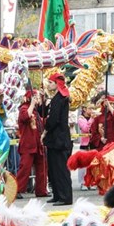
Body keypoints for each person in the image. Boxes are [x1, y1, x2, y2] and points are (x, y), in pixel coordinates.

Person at [43, 73, 73, 206]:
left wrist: (45, 130)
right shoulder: (57, 98)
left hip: (58, 139)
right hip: (55, 139)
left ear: (56, 84)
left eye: (50, 82)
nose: (48, 85)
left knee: (61, 168)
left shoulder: (59, 98)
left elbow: (53, 119)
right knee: (53, 168)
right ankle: (57, 194)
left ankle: (65, 196)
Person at [16, 89, 48, 198]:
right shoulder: (24, 109)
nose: (38, 99)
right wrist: (32, 104)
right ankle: (17, 190)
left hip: (38, 144)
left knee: (42, 168)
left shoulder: (36, 111)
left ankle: (41, 190)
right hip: (28, 144)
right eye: (36, 97)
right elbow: (26, 117)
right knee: (25, 168)